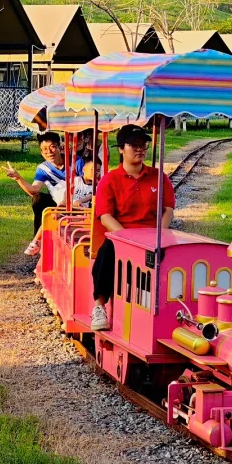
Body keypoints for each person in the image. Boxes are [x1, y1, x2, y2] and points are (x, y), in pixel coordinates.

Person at [90, 123, 175, 332]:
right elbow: (105, 216)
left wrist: (160, 235)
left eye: (143, 144)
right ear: (121, 149)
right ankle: (99, 305)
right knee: (107, 252)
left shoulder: (159, 176)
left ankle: (172, 308)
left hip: (153, 235)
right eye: (134, 145)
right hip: (122, 235)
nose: (140, 149)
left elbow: (168, 210)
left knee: (174, 254)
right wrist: (126, 239)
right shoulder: (110, 180)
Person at [6, 131, 66, 256]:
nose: (49, 152)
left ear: (60, 147)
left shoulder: (75, 161)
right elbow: (34, 190)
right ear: (41, 152)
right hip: (58, 201)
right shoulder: (43, 169)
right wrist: (18, 178)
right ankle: (39, 241)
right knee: (38, 199)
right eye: (44, 149)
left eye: (52, 147)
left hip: (79, 198)